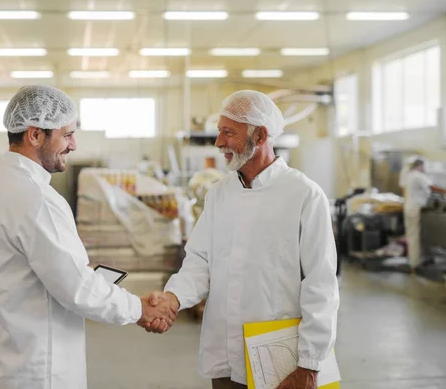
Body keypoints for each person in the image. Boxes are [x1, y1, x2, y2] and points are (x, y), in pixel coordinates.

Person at [0, 85, 177, 389]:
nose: (74, 144)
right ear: (35, 134)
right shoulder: (36, 200)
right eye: (66, 135)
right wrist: (140, 309)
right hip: (36, 370)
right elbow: (77, 287)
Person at [143, 90, 340, 389]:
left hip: (281, 362)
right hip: (225, 358)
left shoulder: (303, 195)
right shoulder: (219, 195)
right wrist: (173, 298)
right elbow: (199, 262)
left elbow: (321, 284)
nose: (218, 143)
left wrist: (310, 365)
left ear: (260, 136)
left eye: (228, 133)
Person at [404, 158, 446, 269]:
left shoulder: (410, 175)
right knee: (415, 236)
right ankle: (415, 263)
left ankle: (415, 260)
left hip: (409, 207)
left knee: (412, 235)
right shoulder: (418, 175)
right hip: (415, 209)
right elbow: (431, 187)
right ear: (420, 166)